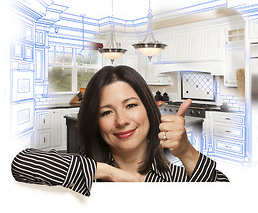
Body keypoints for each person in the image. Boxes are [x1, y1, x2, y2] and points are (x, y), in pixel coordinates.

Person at [11, 65, 229, 197]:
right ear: (95, 122)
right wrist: (112, 173)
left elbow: (227, 199)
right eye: (106, 112)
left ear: (149, 110)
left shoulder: (177, 178)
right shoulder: (82, 174)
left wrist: (187, 151)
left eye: (131, 105)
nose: (121, 120)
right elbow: (21, 163)